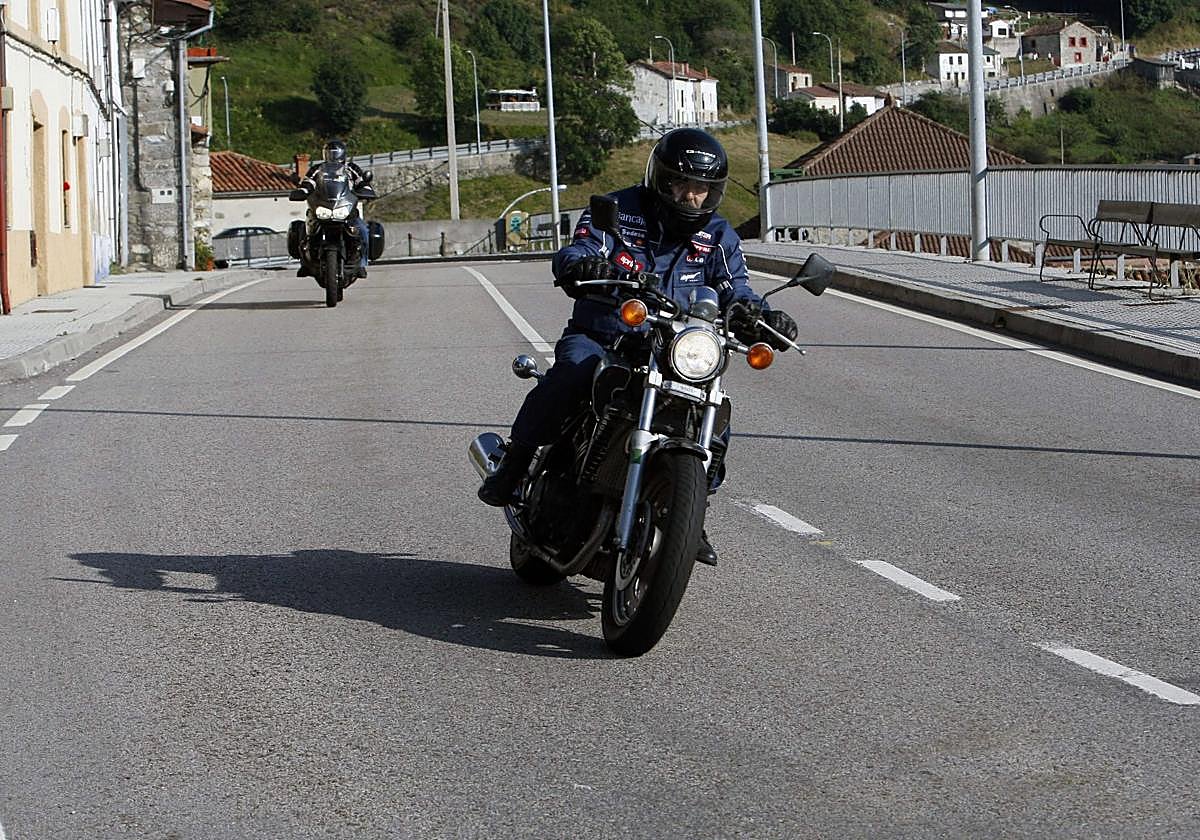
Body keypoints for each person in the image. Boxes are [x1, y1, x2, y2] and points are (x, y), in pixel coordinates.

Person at [477, 128, 798, 567]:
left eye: (703, 189)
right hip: (605, 336)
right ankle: (515, 464)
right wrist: (582, 263)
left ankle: (688, 510)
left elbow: (734, 286)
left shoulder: (718, 234)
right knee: (571, 373)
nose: (692, 197)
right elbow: (582, 248)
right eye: (683, 185)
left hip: (671, 349)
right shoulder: (618, 210)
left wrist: (762, 316)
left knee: (714, 412)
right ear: (660, 180)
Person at [296, 139, 372, 279]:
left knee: (363, 230)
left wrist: (366, 189)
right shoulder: (317, 169)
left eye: (335, 153)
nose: (333, 156)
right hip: (322, 206)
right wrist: (303, 190)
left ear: (342, 153)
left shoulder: (351, 168)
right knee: (304, 229)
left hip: (345, 208)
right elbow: (308, 182)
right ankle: (305, 264)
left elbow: (361, 182)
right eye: (329, 153)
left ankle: (361, 264)